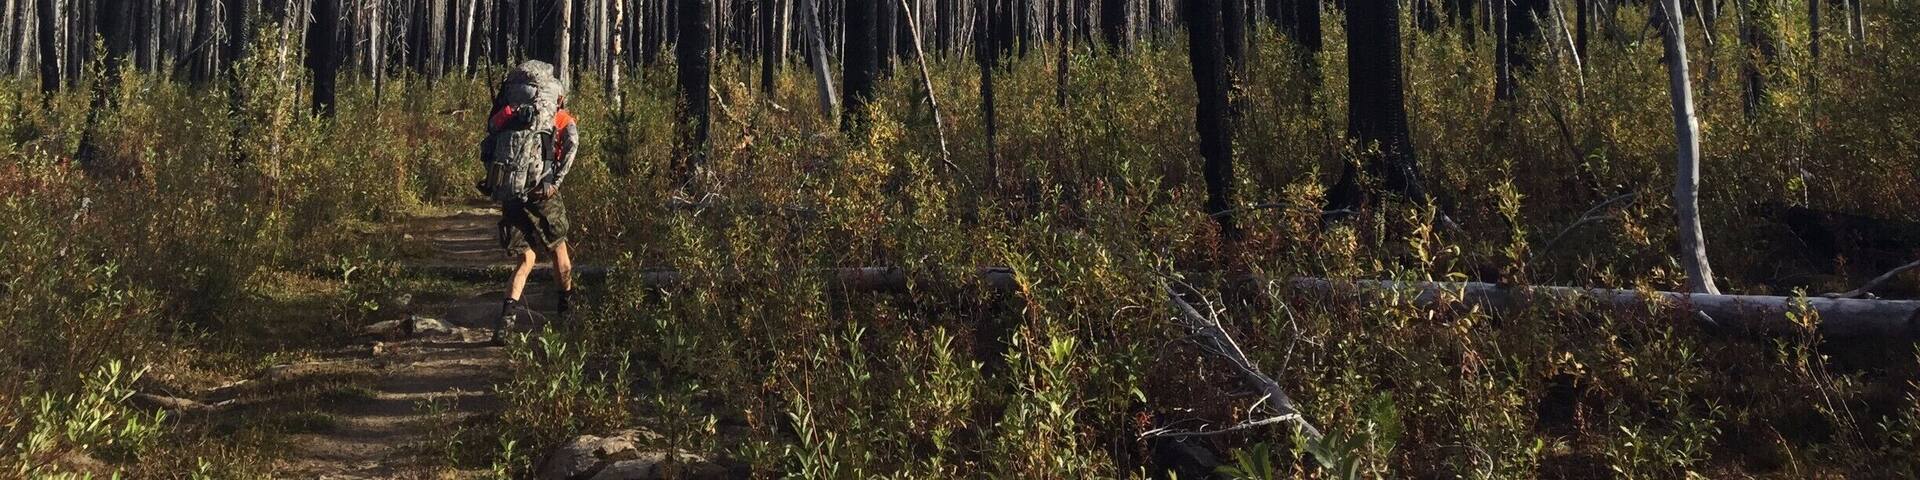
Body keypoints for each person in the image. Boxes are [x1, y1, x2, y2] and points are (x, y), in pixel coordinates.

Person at [478, 60, 580, 345]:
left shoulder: (508, 113)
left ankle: (505, 323)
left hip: (510, 191)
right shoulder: (560, 119)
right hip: (541, 190)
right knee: (559, 248)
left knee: (527, 258)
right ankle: (566, 311)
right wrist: (553, 183)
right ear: (555, 96)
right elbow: (571, 148)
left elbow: (490, 135)